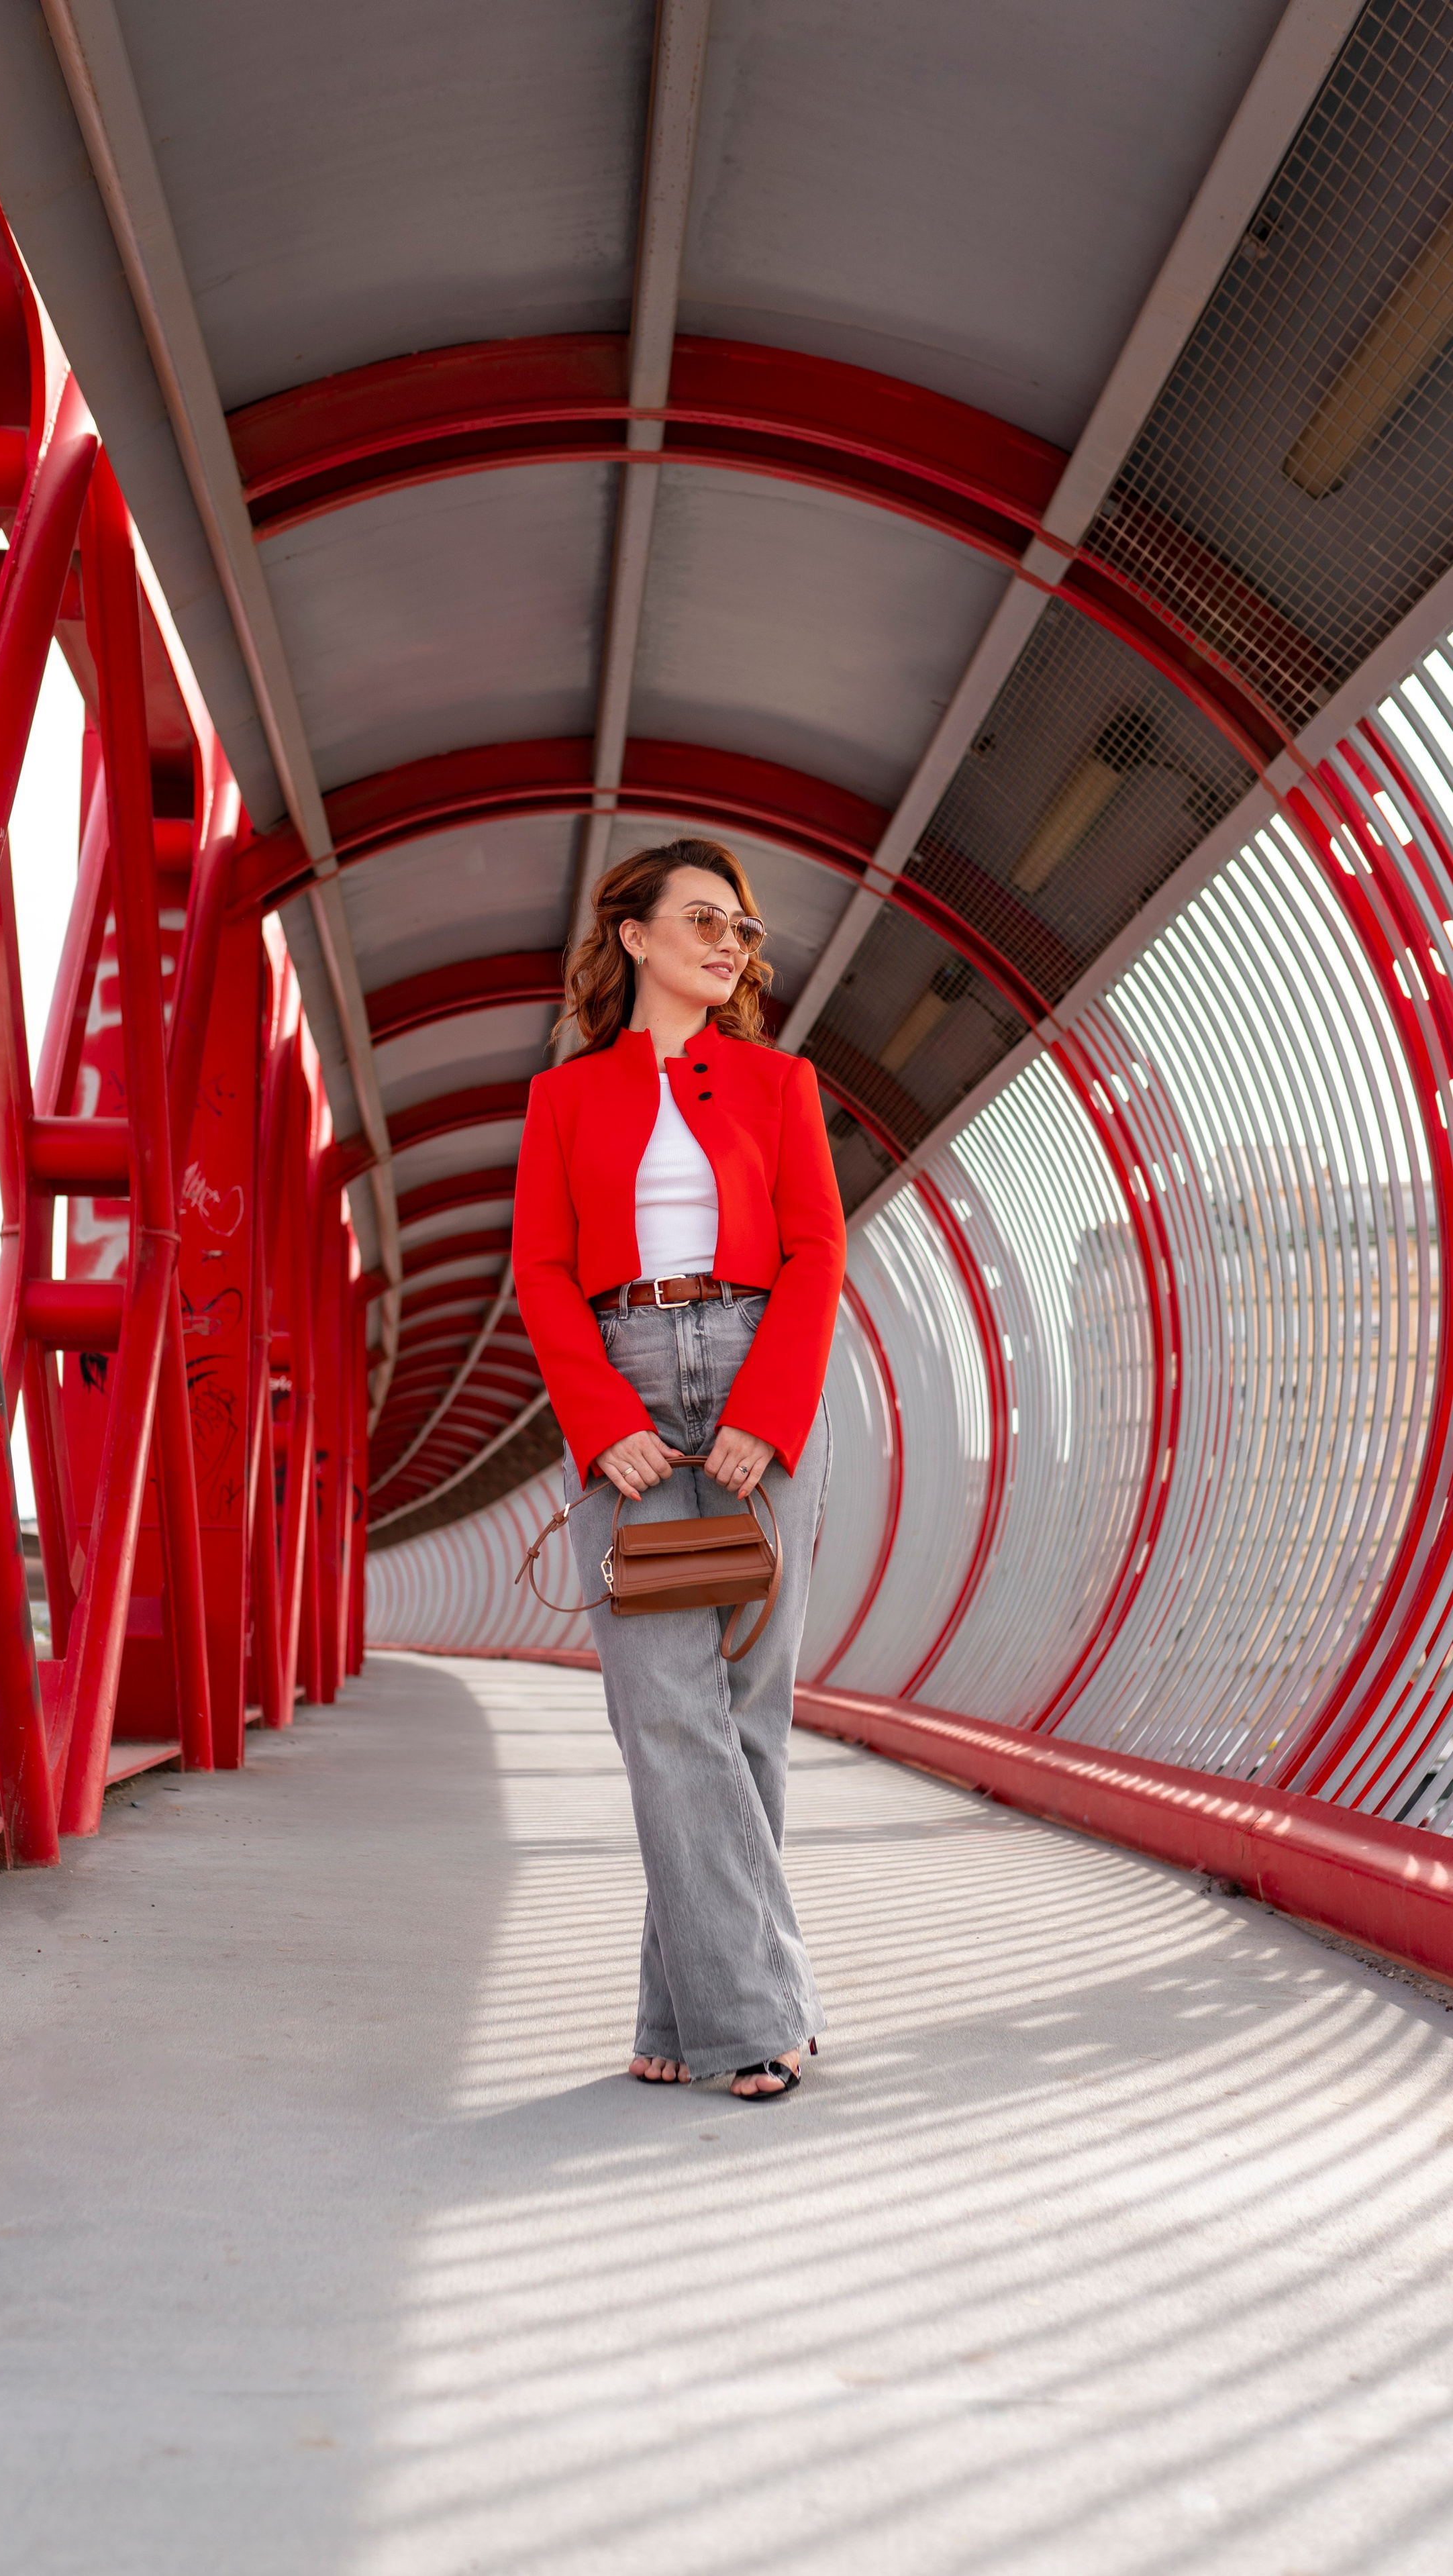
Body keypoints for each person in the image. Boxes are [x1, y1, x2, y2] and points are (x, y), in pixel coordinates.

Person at [513, 838, 846, 2099]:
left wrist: (770, 1408)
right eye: (704, 920)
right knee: (665, 1709)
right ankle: (761, 2013)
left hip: (754, 1360)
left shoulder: (777, 1084)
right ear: (636, 935)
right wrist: (600, 1420)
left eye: (745, 932)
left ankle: (681, 2009)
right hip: (627, 1376)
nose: (731, 945)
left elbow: (818, 1249)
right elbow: (542, 1269)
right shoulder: (564, 1100)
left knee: (746, 1707)